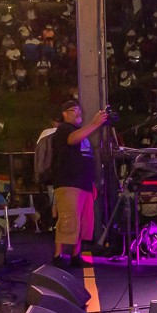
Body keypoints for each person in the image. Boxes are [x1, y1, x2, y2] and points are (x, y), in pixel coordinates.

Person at [40, 97, 111, 264]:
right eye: (74, 110)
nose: (78, 113)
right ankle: (58, 256)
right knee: (68, 219)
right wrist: (95, 124)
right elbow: (72, 140)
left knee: (82, 221)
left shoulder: (81, 134)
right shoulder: (64, 129)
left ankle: (75, 255)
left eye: (79, 110)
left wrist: (91, 183)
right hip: (69, 183)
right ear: (65, 114)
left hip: (84, 184)